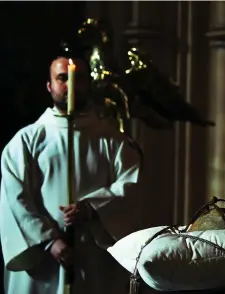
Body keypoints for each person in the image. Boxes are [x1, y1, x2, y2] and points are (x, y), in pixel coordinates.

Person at [0, 49, 147, 294]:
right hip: (43, 262)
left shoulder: (113, 141)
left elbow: (131, 186)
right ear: (49, 86)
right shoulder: (26, 142)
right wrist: (49, 241)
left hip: (94, 257)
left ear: (89, 84)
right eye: (62, 78)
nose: (70, 85)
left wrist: (92, 207)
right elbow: (15, 198)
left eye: (78, 78)